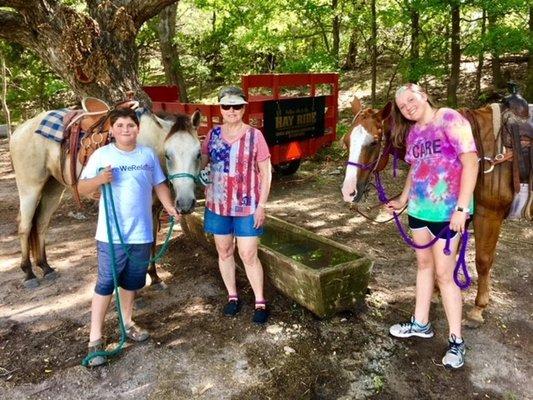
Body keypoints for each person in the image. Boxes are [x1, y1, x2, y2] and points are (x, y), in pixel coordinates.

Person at [385, 83, 478, 369]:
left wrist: (462, 209)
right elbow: (416, 167)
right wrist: (402, 199)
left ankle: (456, 341)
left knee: (444, 275)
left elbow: (471, 162)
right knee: (424, 265)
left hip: (448, 213)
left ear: (423, 95)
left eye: (410, 100)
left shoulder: (449, 118)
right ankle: (421, 323)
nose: (408, 107)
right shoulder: (414, 133)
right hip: (419, 209)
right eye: (402, 106)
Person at [78, 108, 180, 367]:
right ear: (112, 130)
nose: (126, 129)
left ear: (138, 129)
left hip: (142, 233)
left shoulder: (147, 155)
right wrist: (100, 179)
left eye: (130, 125)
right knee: (105, 284)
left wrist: (168, 206)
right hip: (111, 235)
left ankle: (127, 322)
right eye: (120, 125)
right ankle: (95, 339)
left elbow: (159, 184)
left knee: (132, 282)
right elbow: (80, 187)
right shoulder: (102, 155)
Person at [200, 86, 272, 324]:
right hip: (217, 203)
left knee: (248, 252)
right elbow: (202, 163)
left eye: (237, 106)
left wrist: (261, 204)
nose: (231, 110)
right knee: (224, 250)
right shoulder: (212, 135)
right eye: (226, 106)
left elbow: (266, 171)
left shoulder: (255, 136)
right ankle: (233, 296)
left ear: (244, 108)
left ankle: (260, 300)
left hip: (247, 203)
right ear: (220, 108)